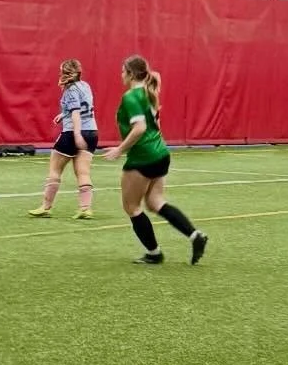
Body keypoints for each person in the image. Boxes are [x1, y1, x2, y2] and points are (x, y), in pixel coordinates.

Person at [102, 55, 207, 265]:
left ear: (130, 73)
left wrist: (120, 150)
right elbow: (155, 126)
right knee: (155, 202)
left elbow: (140, 128)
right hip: (160, 153)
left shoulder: (131, 97)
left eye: (123, 71)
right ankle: (195, 236)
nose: (121, 75)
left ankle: (154, 253)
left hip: (143, 157)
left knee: (132, 207)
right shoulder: (149, 93)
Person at [30, 60, 97, 221]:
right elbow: (82, 108)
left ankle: (45, 207)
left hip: (73, 132)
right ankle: (85, 208)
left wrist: (77, 134)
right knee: (83, 172)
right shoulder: (85, 86)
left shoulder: (70, 90)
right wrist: (63, 114)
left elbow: (75, 112)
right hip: (92, 132)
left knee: (55, 170)